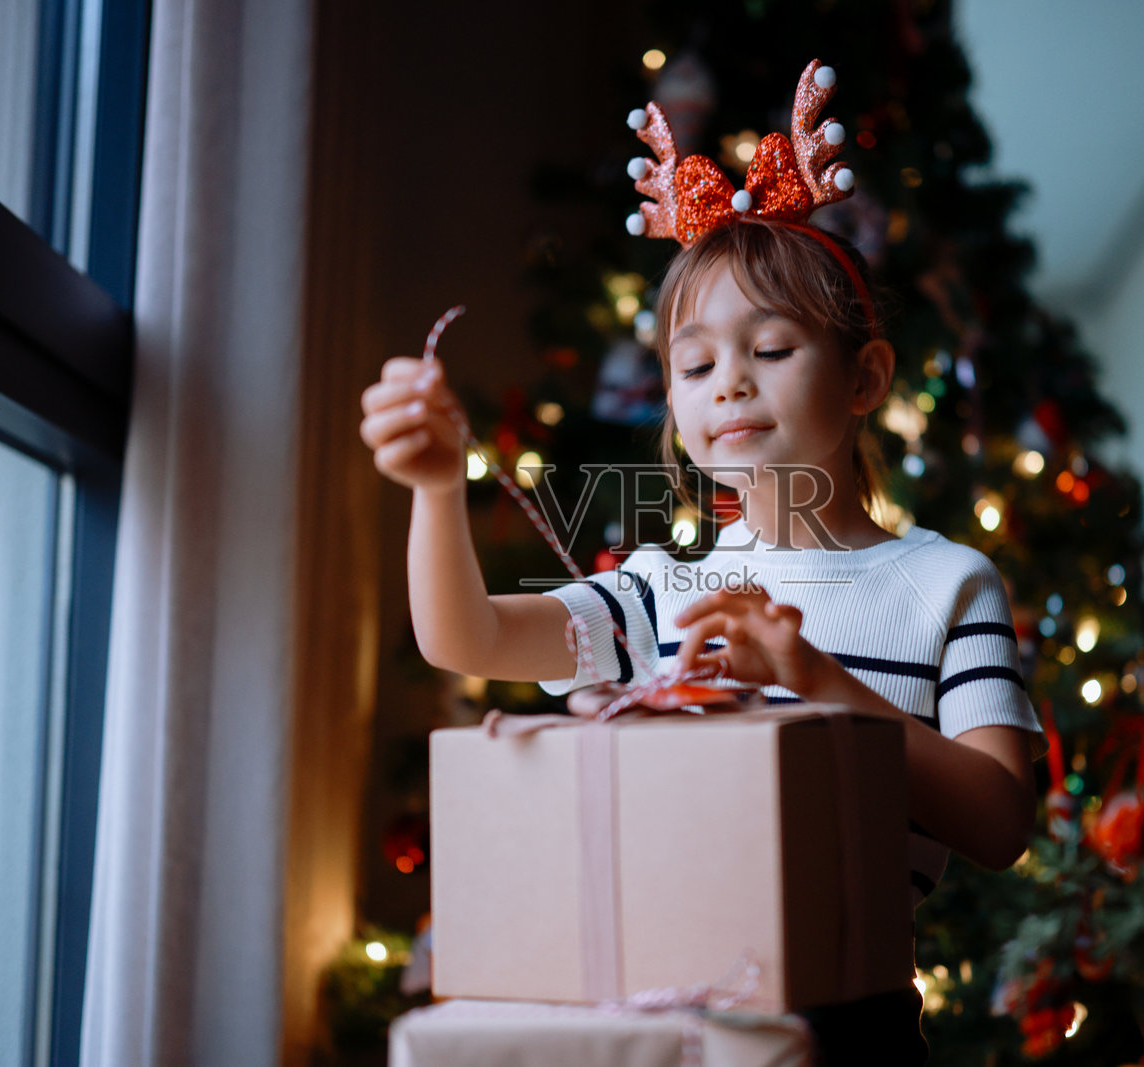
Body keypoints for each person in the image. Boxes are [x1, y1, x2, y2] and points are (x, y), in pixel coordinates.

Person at [358, 64, 1046, 1067]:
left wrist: (813, 681)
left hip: (850, 1023)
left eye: (770, 349)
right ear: (674, 404)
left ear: (865, 377)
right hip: (668, 1021)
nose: (728, 382)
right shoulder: (656, 591)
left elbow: (997, 818)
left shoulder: (946, 585)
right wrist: (430, 490)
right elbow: (466, 635)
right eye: (694, 364)